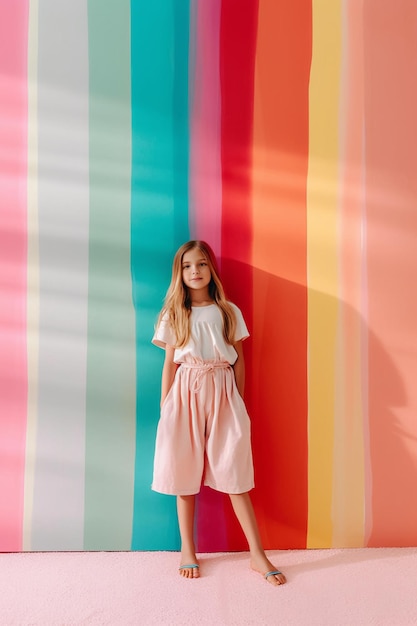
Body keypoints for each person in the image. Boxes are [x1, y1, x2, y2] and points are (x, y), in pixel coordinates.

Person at [151, 240, 286, 586]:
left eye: (201, 264)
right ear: (179, 273)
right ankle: (188, 549)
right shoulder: (174, 313)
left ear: (211, 269)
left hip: (223, 391)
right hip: (185, 392)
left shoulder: (228, 311)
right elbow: (169, 363)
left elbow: (239, 360)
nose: (194, 271)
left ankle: (257, 554)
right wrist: (166, 405)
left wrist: (237, 401)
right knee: (184, 473)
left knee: (235, 472)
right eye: (187, 266)